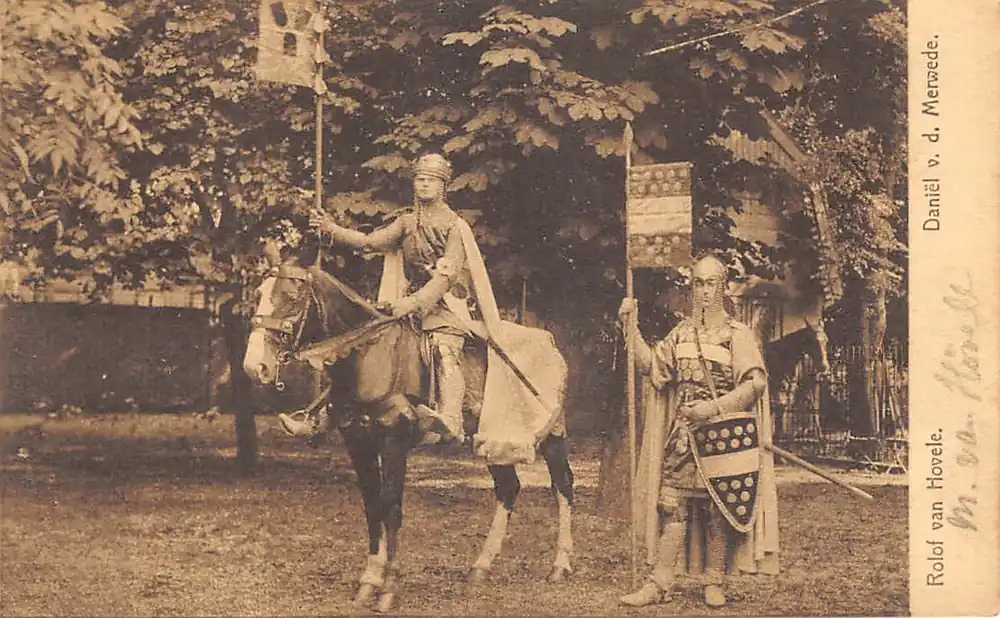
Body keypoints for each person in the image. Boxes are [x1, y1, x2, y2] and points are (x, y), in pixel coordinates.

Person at [618, 255, 780, 608]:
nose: (704, 291)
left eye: (710, 283)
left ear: (722, 287)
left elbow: (755, 383)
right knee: (671, 505)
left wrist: (714, 408)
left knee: (718, 509)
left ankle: (714, 580)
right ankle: (659, 583)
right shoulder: (681, 333)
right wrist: (631, 329)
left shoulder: (737, 335)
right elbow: (653, 369)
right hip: (683, 436)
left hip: (722, 437)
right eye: (698, 283)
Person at [290, 153, 483, 445]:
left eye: (431, 180)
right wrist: (331, 229)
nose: (424, 184)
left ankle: (451, 416)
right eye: (420, 179)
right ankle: (322, 417)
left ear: (444, 186)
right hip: (403, 303)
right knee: (364, 343)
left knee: (444, 346)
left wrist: (414, 303)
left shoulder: (455, 227)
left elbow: (446, 277)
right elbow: (369, 242)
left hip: (444, 305)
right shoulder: (406, 222)